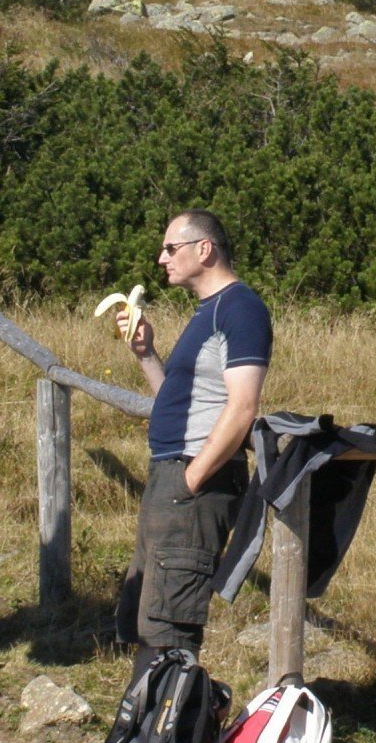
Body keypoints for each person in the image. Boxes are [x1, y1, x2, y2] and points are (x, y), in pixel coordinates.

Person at [114, 210, 271, 671]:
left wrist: (191, 479)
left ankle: (166, 738)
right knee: (149, 620)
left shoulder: (240, 308)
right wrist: (146, 355)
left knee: (169, 629)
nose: (162, 258)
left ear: (205, 249)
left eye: (170, 248)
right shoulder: (208, 312)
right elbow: (181, 404)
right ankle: (141, 738)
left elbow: (242, 407)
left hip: (192, 487)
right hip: (170, 476)